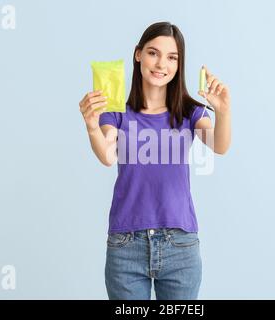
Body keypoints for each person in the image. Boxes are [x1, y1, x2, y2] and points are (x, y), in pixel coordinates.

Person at [79, 21, 231, 300]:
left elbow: (219, 146)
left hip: (180, 246)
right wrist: (91, 127)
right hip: (127, 246)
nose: (161, 63)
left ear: (179, 64)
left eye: (172, 57)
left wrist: (223, 112)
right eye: (153, 53)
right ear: (138, 54)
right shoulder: (117, 113)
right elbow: (107, 155)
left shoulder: (190, 112)